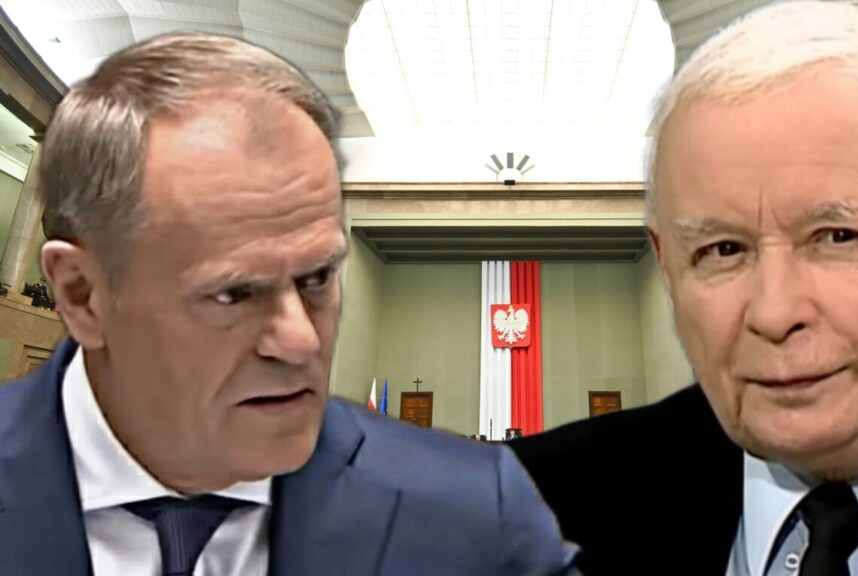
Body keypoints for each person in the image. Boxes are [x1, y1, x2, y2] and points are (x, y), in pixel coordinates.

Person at [0, 32, 576, 575]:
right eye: (233, 293)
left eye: (317, 277)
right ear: (82, 295)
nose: (302, 341)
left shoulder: (477, 511)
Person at [510, 1, 858, 573]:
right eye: (723, 250)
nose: (774, 313)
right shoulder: (527, 517)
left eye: (837, 237)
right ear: (669, 269)